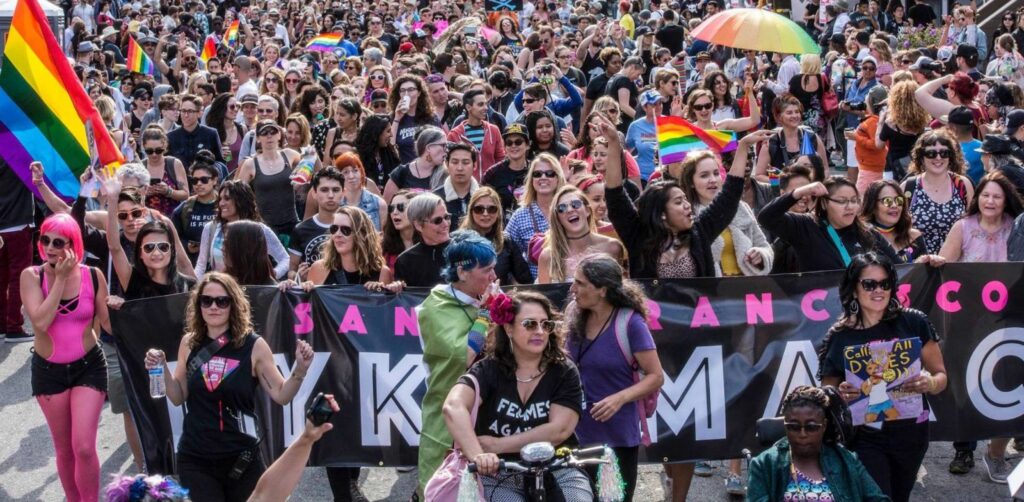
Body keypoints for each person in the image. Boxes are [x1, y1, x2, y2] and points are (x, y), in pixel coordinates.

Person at [144, 272, 314, 501]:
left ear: (234, 305)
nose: (214, 307)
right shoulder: (189, 342)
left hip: (241, 458)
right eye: (207, 300)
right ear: (198, 305)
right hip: (196, 457)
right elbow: (178, 396)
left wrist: (300, 370)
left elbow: (281, 394)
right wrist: (162, 367)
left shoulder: (253, 345)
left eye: (222, 301)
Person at [819, 252, 948, 502]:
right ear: (854, 289)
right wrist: (840, 393)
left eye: (885, 283)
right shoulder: (840, 335)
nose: (878, 290)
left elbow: (941, 376)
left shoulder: (914, 322)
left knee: (899, 496)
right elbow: (827, 391)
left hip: (912, 432)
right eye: (869, 284)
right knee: (878, 497)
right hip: (865, 435)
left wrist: (929, 382)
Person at [441, 290, 592, 500]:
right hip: (499, 472)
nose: (539, 331)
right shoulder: (488, 369)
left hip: (559, 466)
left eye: (545, 324)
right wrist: (479, 456)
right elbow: (453, 407)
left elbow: (559, 430)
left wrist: (497, 445)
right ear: (509, 328)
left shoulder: (564, 371)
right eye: (530, 324)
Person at [20, 213, 110, 502]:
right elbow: (41, 322)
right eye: (44, 239)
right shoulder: (31, 276)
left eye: (58, 242)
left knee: (83, 446)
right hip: (49, 371)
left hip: (89, 367)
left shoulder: (93, 275)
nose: (49, 247)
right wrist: (57, 279)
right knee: (65, 449)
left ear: (74, 245)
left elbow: (108, 325)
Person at [566, 254, 663, 501]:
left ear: (602, 290)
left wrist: (618, 399)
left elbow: (655, 376)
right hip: (573, 432)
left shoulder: (630, 323)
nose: (572, 288)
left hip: (616, 436)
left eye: (580, 283)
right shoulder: (574, 313)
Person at [417, 230, 498, 496]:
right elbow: (463, 356)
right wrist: (486, 314)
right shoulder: (436, 305)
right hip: (446, 417)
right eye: (486, 270)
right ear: (462, 273)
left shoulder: (481, 298)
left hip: (487, 415)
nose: (493, 277)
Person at [746, 386, 889, 501]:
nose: (802, 434)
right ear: (785, 425)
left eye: (811, 427)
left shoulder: (847, 461)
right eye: (794, 426)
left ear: (824, 426)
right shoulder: (764, 465)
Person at [759, 176, 899, 272]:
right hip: (820, 310)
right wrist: (799, 193)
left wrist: (918, 266)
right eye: (842, 201)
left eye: (854, 200)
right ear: (825, 203)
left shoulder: (867, 233)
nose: (850, 207)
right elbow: (766, 217)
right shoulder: (806, 225)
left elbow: (900, 267)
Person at [680, 151, 774, 277]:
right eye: (704, 175)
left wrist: (760, 255)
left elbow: (764, 247)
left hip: (748, 289)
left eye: (716, 173)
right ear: (691, 182)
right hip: (712, 292)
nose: (712, 180)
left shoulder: (741, 207)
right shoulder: (686, 216)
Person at [194, 180, 290, 280]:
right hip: (222, 291)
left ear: (241, 200)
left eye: (227, 199)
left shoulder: (259, 230)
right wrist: (196, 286)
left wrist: (272, 276)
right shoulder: (211, 228)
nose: (221, 203)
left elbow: (285, 259)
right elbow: (201, 265)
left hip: (251, 291)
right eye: (220, 199)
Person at [901, 131, 975, 254]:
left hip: (956, 263)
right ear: (921, 157)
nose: (938, 158)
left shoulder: (962, 184)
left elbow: (973, 225)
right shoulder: (909, 187)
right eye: (931, 153)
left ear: (950, 157)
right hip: (921, 264)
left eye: (944, 153)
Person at [537, 186, 625, 283]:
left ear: (587, 210)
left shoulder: (612, 247)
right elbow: (544, 297)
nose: (570, 210)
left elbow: (619, 292)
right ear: (557, 218)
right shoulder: (548, 256)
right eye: (561, 208)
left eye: (575, 204)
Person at [505, 153, 567, 279]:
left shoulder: (569, 209)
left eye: (549, 173)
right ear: (531, 180)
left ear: (558, 178)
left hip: (569, 283)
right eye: (537, 174)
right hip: (535, 288)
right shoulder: (520, 215)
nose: (543, 177)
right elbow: (506, 252)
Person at [459, 186, 533, 285]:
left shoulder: (506, 241)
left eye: (492, 209)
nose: (485, 214)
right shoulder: (459, 243)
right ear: (471, 211)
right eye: (479, 209)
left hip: (499, 298)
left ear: (498, 212)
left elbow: (526, 281)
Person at [755, 95, 829, 183]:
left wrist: (815, 182)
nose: (795, 116)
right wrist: (782, 182)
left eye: (797, 112)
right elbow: (759, 176)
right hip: (782, 194)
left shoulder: (812, 137)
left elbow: (825, 169)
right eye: (789, 113)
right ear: (779, 117)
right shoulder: (771, 142)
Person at [288, 168, 344, 282]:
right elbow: (291, 270)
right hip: (312, 294)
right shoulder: (301, 230)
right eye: (324, 190)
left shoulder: (354, 225)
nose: (331, 195)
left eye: (336, 190)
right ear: (314, 193)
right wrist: (299, 276)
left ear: (343, 193)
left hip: (344, 295)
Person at [394, 192, 452, 288]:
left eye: (447, 217)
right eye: (437, 221)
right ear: (418, 225)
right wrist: (396, 287)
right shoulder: (406, 260)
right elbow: (403, 299)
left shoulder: (465, 250)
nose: (445, 224)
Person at [861, 180, 927, 263]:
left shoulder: (914, 236)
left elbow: (925, 274)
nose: (894, 205)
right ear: (873, 205)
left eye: (898, 200)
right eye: (887, 201)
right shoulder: (862, 238)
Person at [172, 152, 220, 264]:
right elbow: (173, 238)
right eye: (194, 180)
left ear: (214, 180)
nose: (198, 184)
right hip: (193, 265)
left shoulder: (225, 204)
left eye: (204, 180)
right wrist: (186, 246)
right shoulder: (184, 208)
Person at [382, 126, 449, 203]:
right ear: (429, 148)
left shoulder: (447, 174)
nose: (446, 150)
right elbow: (386, 207)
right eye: (443, 145)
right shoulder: (401, 173)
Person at [482, 123, 532, 217]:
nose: (513, 146)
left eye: (518, 142)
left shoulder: (536, 170)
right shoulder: (492, 174)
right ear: (504, 147)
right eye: (509, 143)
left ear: (528, 145)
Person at [390, 75, 440, 163]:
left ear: (419, 92)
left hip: (429, 168)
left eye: (410, 90)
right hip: (405, 170)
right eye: (402, 90)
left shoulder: (430, 117)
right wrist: (397, 118)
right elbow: (390, 147)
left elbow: (439, 144)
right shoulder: (393, 118)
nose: (406, 94)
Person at [140, 127, 189, 216]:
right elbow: (131, 196)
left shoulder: (174, 164)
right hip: (147, 220)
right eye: (149, 151)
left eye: (159, 150)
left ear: (165, 147)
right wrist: (144, 193)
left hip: (172, 219)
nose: (154, 154)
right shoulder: (140, 166)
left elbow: (185, 194)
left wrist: (169, 191)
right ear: (144, 147)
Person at [336, 153, 387, 231]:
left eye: (355, 170)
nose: (351, 176)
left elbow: (384, 237)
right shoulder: (335, 204)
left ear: (361, 173)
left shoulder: (379, 204)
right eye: (345, 172)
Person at [381, 190, 419, 270]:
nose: (394, 212)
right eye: (391, 208)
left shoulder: (429, 242)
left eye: (400, 207)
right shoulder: (383, 246)